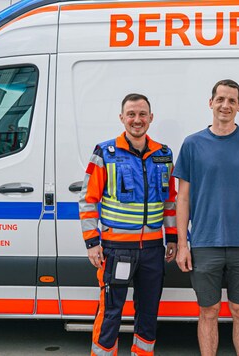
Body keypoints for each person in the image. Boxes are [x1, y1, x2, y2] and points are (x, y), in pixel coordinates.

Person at [173, 79, 239, 356]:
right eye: (220, 99)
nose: (225, 105)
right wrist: (183, 244)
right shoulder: (192, 144)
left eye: (231, 100)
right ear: (211, 103)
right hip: (205, 243)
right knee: (208, 310)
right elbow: (183, 198)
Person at [79, 93, 177, 356]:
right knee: (111, 312)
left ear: (151, 118)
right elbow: (88, 200)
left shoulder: (163, 155)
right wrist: (92, 243)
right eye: (131, 114)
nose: (137, 120)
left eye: (142, 114)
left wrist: (174, 239)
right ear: (122, 118)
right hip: (116, 250)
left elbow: (170, 202)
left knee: (148, 313)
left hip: (153, 251)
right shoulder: (105, 153)